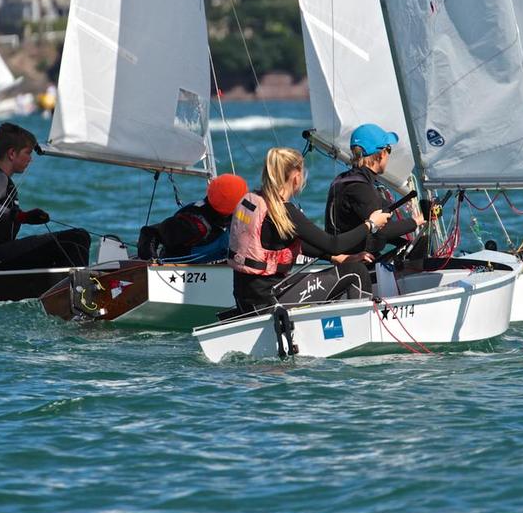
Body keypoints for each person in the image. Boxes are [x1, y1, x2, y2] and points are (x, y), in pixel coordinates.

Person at [228, 148, 391, 354]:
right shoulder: (285, 211)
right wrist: (370, 224)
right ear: (296, 177)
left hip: (247, 298)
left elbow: (294, 244)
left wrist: (335, 257)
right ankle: (362, 337)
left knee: (345, 266)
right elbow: (334, 242)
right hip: (269, 300)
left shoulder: (255, 200)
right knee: (355, 271)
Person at [0, 122, 90, 270]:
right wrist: (21, 217)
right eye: (27, 153)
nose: (30, 159)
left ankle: (61, 287)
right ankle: (78, 289)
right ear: (12, 154)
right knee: (78, 238)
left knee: (61, 247)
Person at [324, 123, 425, 298]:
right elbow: (382, 229)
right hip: (357, 264)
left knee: (412, 244)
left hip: (358, 257)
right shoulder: (359, 187)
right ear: (380, 154)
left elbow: (375, 208)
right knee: (421, 244)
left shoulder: (348, 180)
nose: (388, 155)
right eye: (389, 150)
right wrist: (417, 221)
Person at [137, 173, 249, 262]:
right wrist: (152, 263)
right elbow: (151, 232)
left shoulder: (236, 218)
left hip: (214, 273)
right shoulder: (194, 224)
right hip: (178, 277)